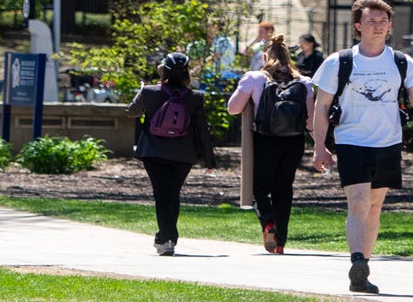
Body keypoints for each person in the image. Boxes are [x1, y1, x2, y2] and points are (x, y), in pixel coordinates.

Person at [310, 0, 413, 294]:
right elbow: (321, 107)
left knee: (374, 206)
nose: (379, 26)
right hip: (351, 142)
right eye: (371, 21)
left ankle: (363, 270)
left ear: (390, 25)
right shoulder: (339, 61)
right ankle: (357, 261)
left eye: (383, 21)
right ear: (358, 26)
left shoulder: (400, 61)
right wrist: (320, 146)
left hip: (388, 143)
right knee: (358, 202)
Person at [124, 51, 217, 256]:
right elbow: (202, 130)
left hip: (154, 152)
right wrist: (209, 160)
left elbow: (131, 111)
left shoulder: (150, 92)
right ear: (186, 74)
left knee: (161, 194)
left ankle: (166, 238)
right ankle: (167, 237)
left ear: (163, 70)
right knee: (172, 193)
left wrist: (141, 92)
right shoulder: (195, 97)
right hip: (183, 154)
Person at [228, 35, 314, 254]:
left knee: (258, 187)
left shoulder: (255, 78)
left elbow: (233, 108)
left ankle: (268, 223)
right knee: (283, 189)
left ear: (264, 56)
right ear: (289, 57)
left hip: (265, 139)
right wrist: (320, 145)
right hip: (294, 141)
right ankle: (281, 242)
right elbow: (311, 121)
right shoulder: (304, 82)